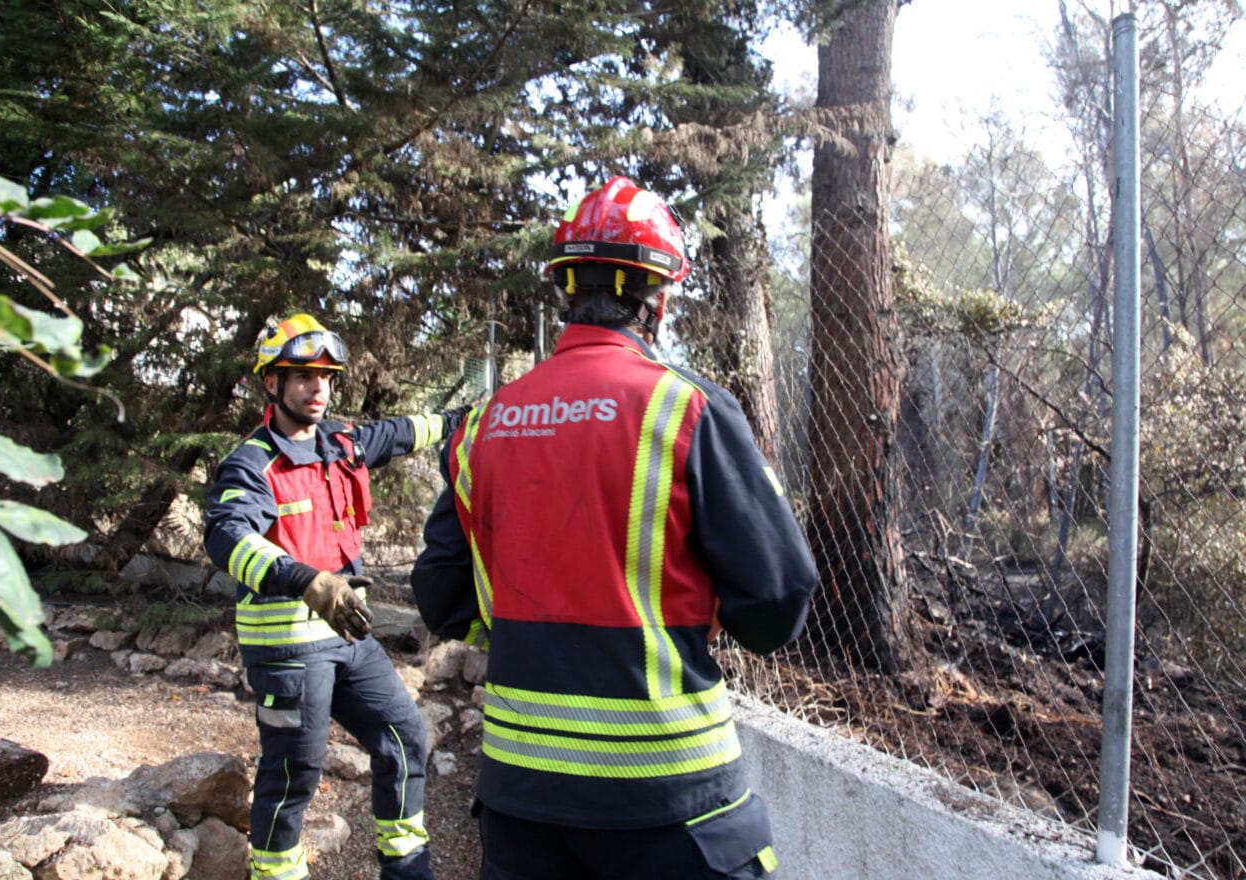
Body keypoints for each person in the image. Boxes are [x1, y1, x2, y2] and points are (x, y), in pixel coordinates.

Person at [410, 177, 820, 879]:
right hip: (670, 798)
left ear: (566, 290)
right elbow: (777, 602)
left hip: (521, 797)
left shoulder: (484, 424)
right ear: (657, 301)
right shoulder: (688, 411)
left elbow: (443, 597)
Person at [204, 312, 467, 880]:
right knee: (295, 774)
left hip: (348, 638)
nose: (317, 387)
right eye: (301, 376)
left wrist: (459, 420)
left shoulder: (340, 443)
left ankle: (407, 869)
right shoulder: (252, 464)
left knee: (405, 737)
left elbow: (400, 432)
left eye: (325, 376)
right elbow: (226, 538)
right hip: (286, 649)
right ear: (270, 384)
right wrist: (307, 580)